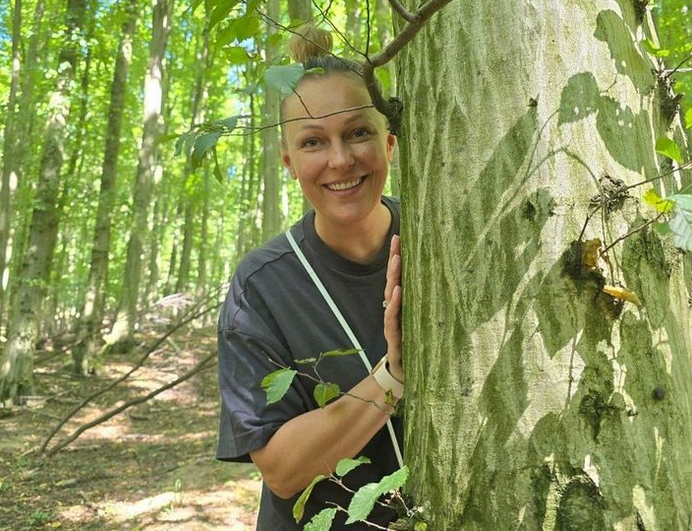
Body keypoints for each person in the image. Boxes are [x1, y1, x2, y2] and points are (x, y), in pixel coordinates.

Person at [216, 25, 404, 530]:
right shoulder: (263, 286)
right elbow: (281, 469)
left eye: (358, 132)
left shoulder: (441, 240)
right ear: (289, 163)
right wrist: (392, 378)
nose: (340, 160)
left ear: (388, 143)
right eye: (313, 142)